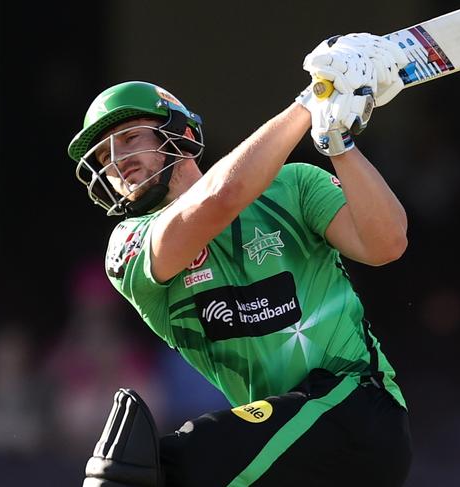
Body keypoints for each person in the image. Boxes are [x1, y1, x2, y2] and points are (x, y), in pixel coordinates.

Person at [68, 33, 412, 487]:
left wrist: (337, 142)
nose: (118, 162)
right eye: (105, 157)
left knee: (157, 473)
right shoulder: (128, 247)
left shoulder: (295, 186)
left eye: (130, 139)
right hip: (286, 453)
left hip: (357, 409)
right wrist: (312, 100)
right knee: (128, 470)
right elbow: (220, 199)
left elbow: (387, 243)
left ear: (182, 135)